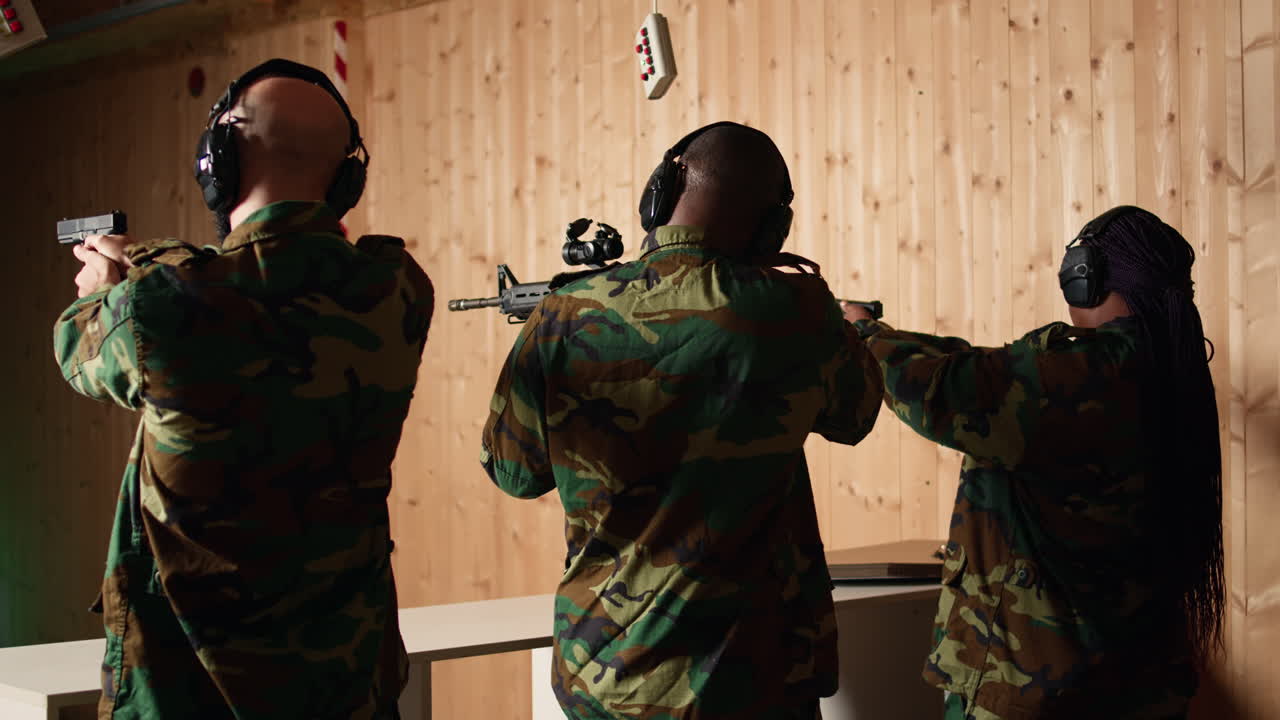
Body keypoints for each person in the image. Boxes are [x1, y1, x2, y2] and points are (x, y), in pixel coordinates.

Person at [54, 59, 433, 720]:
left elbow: (78, 348)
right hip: (346, 675)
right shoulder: (397, 289)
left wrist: (105, 288)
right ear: (347, 178)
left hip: (192, 686)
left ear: (217, 162)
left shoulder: (162, 308)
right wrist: (157, 270)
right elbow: (264, 290)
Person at [480, 122, 884, 719]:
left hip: (606, 673)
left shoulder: (565, 315)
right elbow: (854, 416)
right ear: (773, 229)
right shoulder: (796, 309)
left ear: (660, 196)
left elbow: (513, 473)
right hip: (756, 675)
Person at [843, 205, 1224, 719]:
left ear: (1083, 278)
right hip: (1138, 682)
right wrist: (876, 327)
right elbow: (981, 369)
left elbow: (940, 391)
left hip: (1042, 688)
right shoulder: (1163, 367)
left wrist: (859, 335)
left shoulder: (1082, 372)